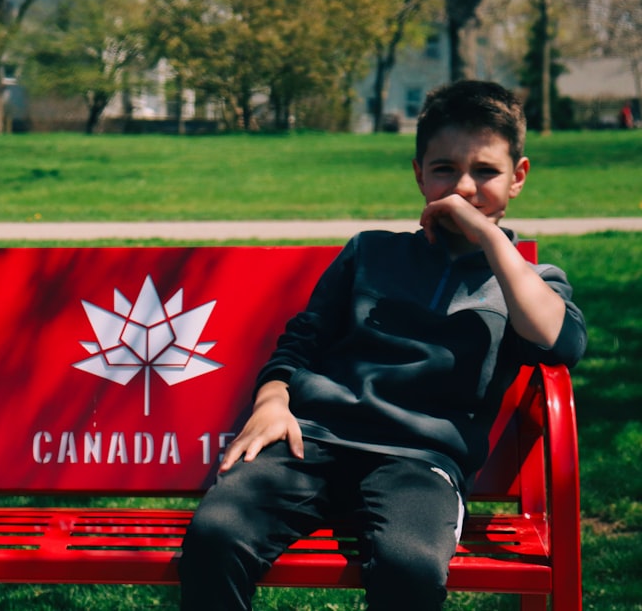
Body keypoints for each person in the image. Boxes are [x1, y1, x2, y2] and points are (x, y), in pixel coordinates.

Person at [178, 80, 588, 611]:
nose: (463, 187)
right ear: (419, 174)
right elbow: (302, 341)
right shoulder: (370, 254)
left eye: (485, 171)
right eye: (445, 169)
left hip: (419, 465)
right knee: (215, 536)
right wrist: (273, 399)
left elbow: (561, 344)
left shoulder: (530, 282)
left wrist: (489, 240)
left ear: (518, 178)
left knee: (408, 568)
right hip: (315, 442)